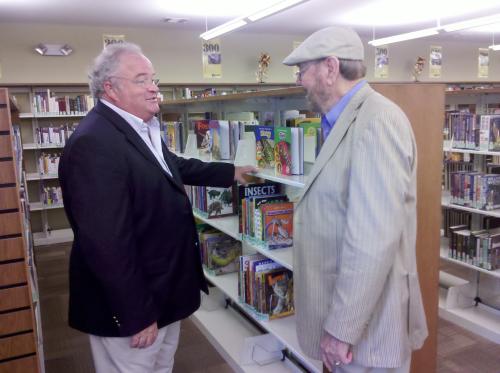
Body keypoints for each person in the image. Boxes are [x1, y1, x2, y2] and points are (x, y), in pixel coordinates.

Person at [58, 42, 254, 373]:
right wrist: (137, 313)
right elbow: (107, 244)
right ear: (111, 89)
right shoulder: (95, 143)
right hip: (133, 306)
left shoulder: (137, 126)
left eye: (154, 79)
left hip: (162, 291)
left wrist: (230, 173)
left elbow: (169, 165)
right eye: (141, 80)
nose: (154, 88)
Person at [282, 26, 428, 373]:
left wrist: (341, 330)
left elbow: (371, 241)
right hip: (353, 324)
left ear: (330, 68)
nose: (300, 81)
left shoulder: (377, 122)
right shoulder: (341, 122)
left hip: (369, 335)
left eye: (302, 70)